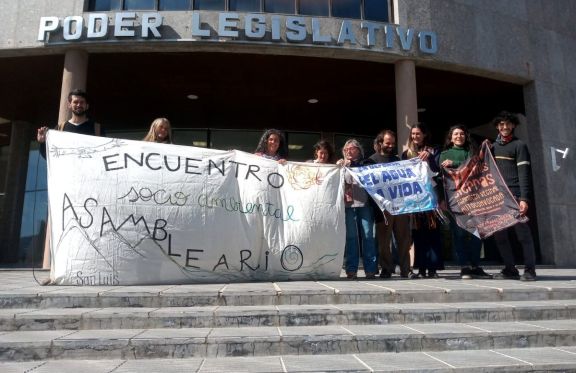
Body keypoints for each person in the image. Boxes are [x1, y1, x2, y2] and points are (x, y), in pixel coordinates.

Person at [440, 125, 492, 279]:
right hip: (456, 199)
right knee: (460, 234)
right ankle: (464, 266)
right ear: (451, 137)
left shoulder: (472, 152)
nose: (459, 136)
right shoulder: (445, 154)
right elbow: (442, 177)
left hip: (475, 198)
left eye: (462, 133)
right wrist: (441, 199)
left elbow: (480, 167)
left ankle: (476, 265)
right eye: (456, 134)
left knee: (477, 233)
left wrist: (488, 148)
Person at [490, 111, 537, 281]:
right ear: (497, 126)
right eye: (501, 124)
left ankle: (530, 270)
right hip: (496, 197)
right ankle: (510, 269)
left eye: (508, 124)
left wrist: (524, 198)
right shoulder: (491, 147)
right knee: (500, 236)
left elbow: (524, 174)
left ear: (514, 125)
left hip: (515, 196)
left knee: (522, 234)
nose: (505, 127)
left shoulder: (519, 145)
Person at [402, 123, 444, 278]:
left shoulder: (435, 151)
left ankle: (432, 269)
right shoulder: (407, 154)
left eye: (418, 133)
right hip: (415, 199)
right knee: (418, 234)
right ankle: (420, 268)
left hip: (431, 197)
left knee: (432, 232)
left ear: (424, 134)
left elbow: (438, 172)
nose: (415, 136)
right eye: (413, 134)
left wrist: (430, 158)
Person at [368, 130, 411, 278]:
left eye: (393, 143)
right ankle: (386, 268)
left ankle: (406, 270)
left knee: (404, 239)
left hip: (400, 206)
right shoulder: (371, 161)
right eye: (387, 143)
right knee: (383, 241)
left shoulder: (398, 161)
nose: (391, 146)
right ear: (380, 143)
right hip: (382, 208)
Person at [336, 139, 378, 279]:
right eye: (346, 149)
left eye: (352, 148)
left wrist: (353, 165)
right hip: (348, 206)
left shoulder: (365, 164)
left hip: (365, 205)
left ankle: (371, 270)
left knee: (368, 237)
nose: (349, 151)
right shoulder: (341, 165)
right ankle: (351, 269)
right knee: (351, 238)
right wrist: (340, 168)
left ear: (359, 151)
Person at [37, 89, 103, 157]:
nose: (79, 105)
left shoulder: (97, 129)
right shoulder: (59, 129)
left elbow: (103, 154)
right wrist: (42, 142)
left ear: (87, 106)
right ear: (69, 105)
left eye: (82, 102)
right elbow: (50, 157)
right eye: (75, 102)